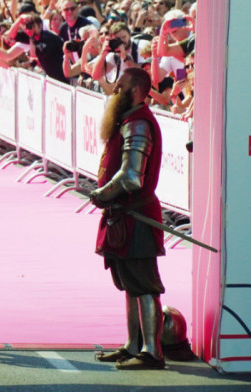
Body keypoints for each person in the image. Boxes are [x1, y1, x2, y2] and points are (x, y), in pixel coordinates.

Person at [89, 67, 167, 370]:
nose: (115, 92)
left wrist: (102, 195)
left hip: (137, 216)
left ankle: (152, 351)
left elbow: (132, 177)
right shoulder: (129, 120)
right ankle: (133, 344)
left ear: (135, 91)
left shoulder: (138, 123)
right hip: (124, 216)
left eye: (120, 87)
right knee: (130, 284)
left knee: (144, 284)